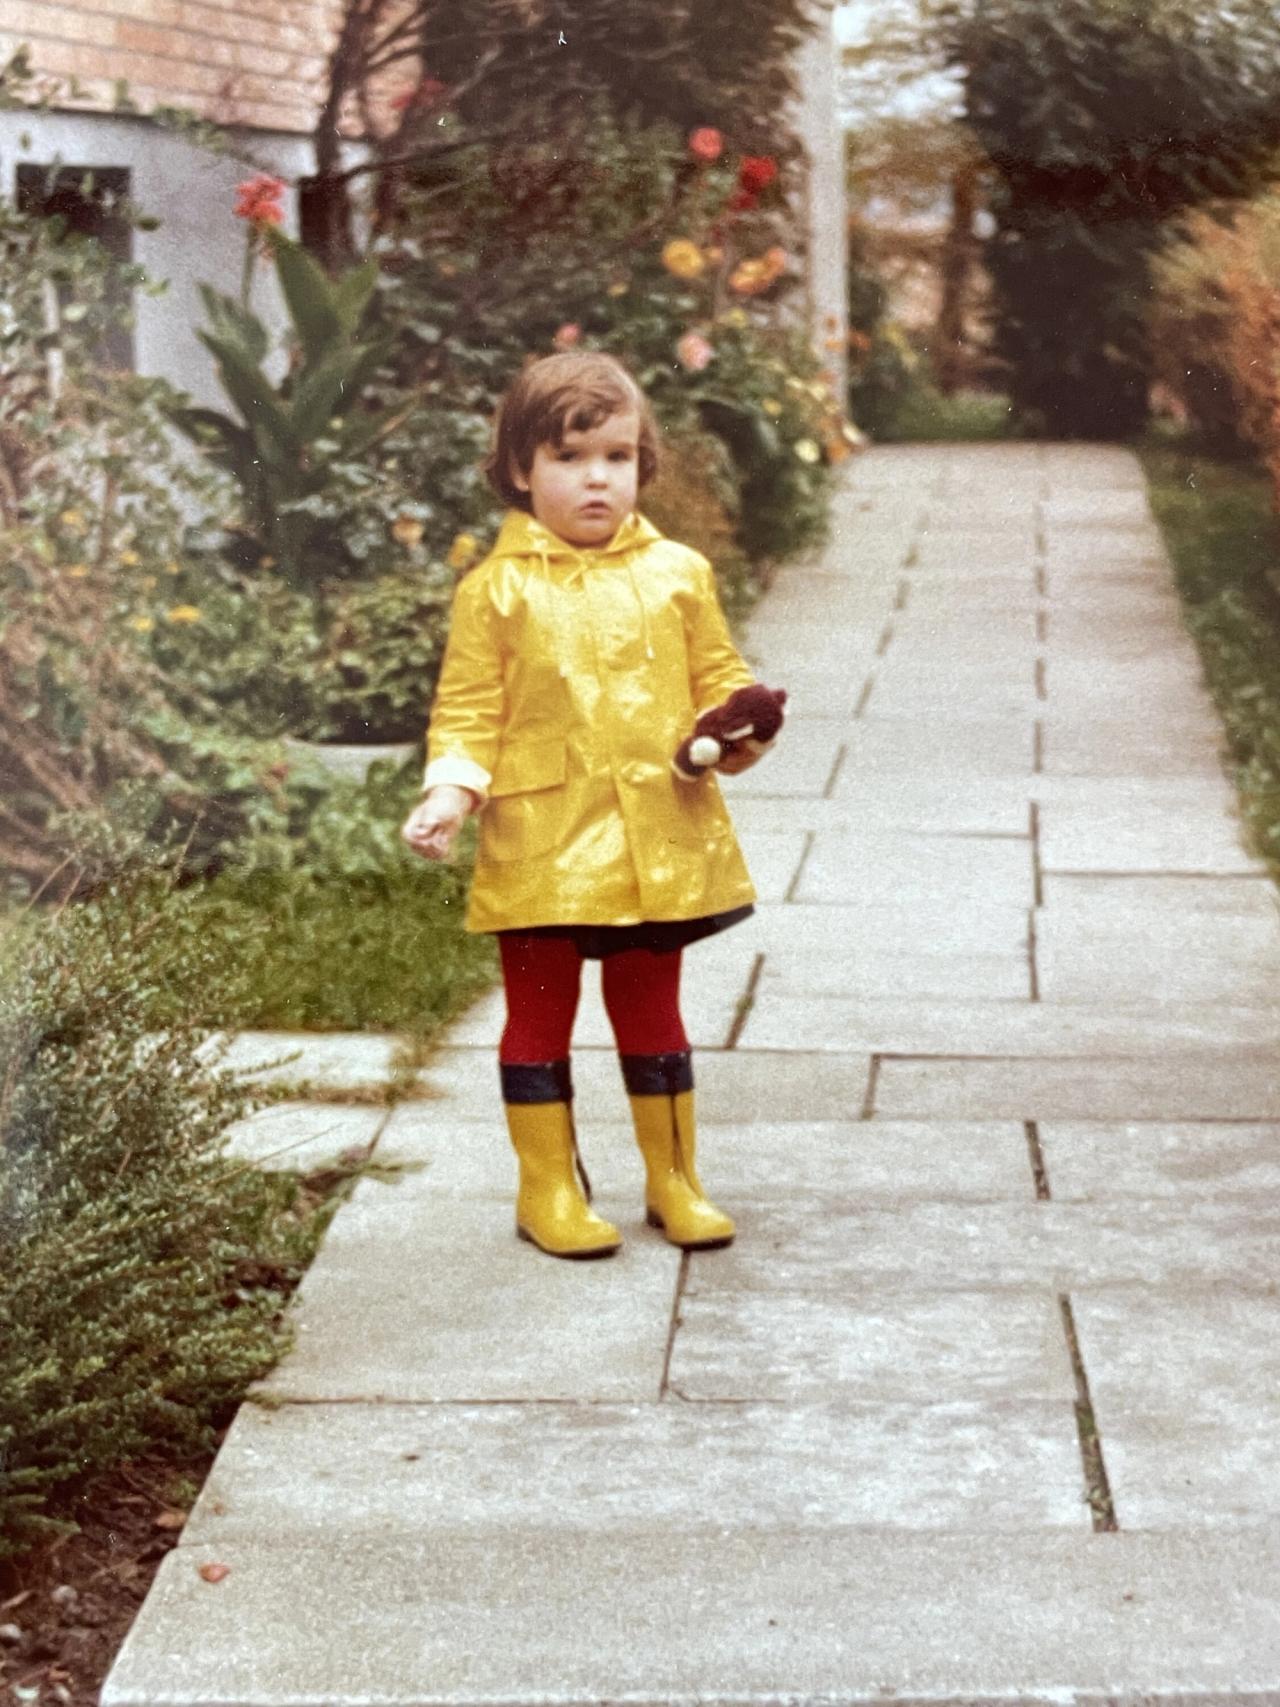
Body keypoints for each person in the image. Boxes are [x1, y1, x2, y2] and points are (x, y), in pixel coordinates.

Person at [400, 350, 782, 1261]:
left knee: (652, 1009)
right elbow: (468, 710)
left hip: (659, 834)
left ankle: (674, 1179)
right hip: (542, 838)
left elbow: (718, 678)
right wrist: (450, 792)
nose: (595, 478)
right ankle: (549, 1190)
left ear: (643, 464)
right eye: (568, 458)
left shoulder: (679, 574)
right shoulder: (495, 592)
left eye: (615, 455)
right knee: (538, 1014)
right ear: (521, 471)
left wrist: (738, 730)